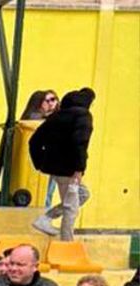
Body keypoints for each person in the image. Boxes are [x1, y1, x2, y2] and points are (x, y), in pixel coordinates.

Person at [29, 88, 95, 241]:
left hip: (57, 168)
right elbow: (80, 143)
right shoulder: (83, 116)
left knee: (83, 194)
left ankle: (46, 218)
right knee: (71, 208)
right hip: (70, 170)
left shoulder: (56, 117)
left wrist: (41, 163)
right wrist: (79, 169)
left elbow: (34, 141)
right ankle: (67, 244)